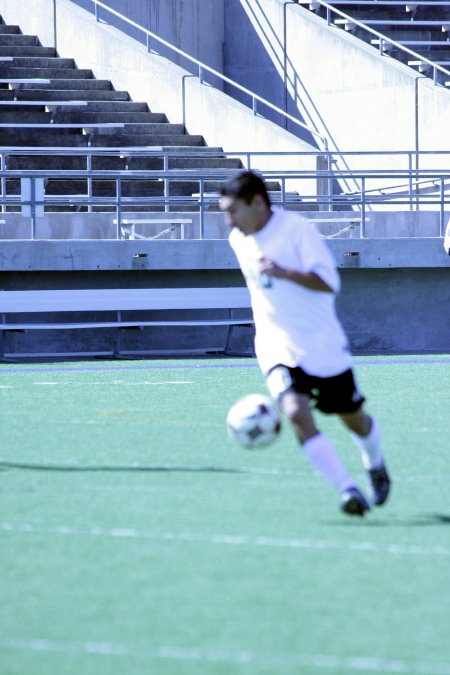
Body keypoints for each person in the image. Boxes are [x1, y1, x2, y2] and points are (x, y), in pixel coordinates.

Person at [220, 170, 391, 517]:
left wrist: (285, 273)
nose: (228, 220)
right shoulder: (238, 237)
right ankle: (347, 488)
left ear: (257, 202)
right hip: (275, 343)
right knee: (296, 412)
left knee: (353, 418)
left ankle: (374, 463)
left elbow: (330, 283)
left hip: (321, 344)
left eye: (233, 210)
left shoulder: (296, 230)